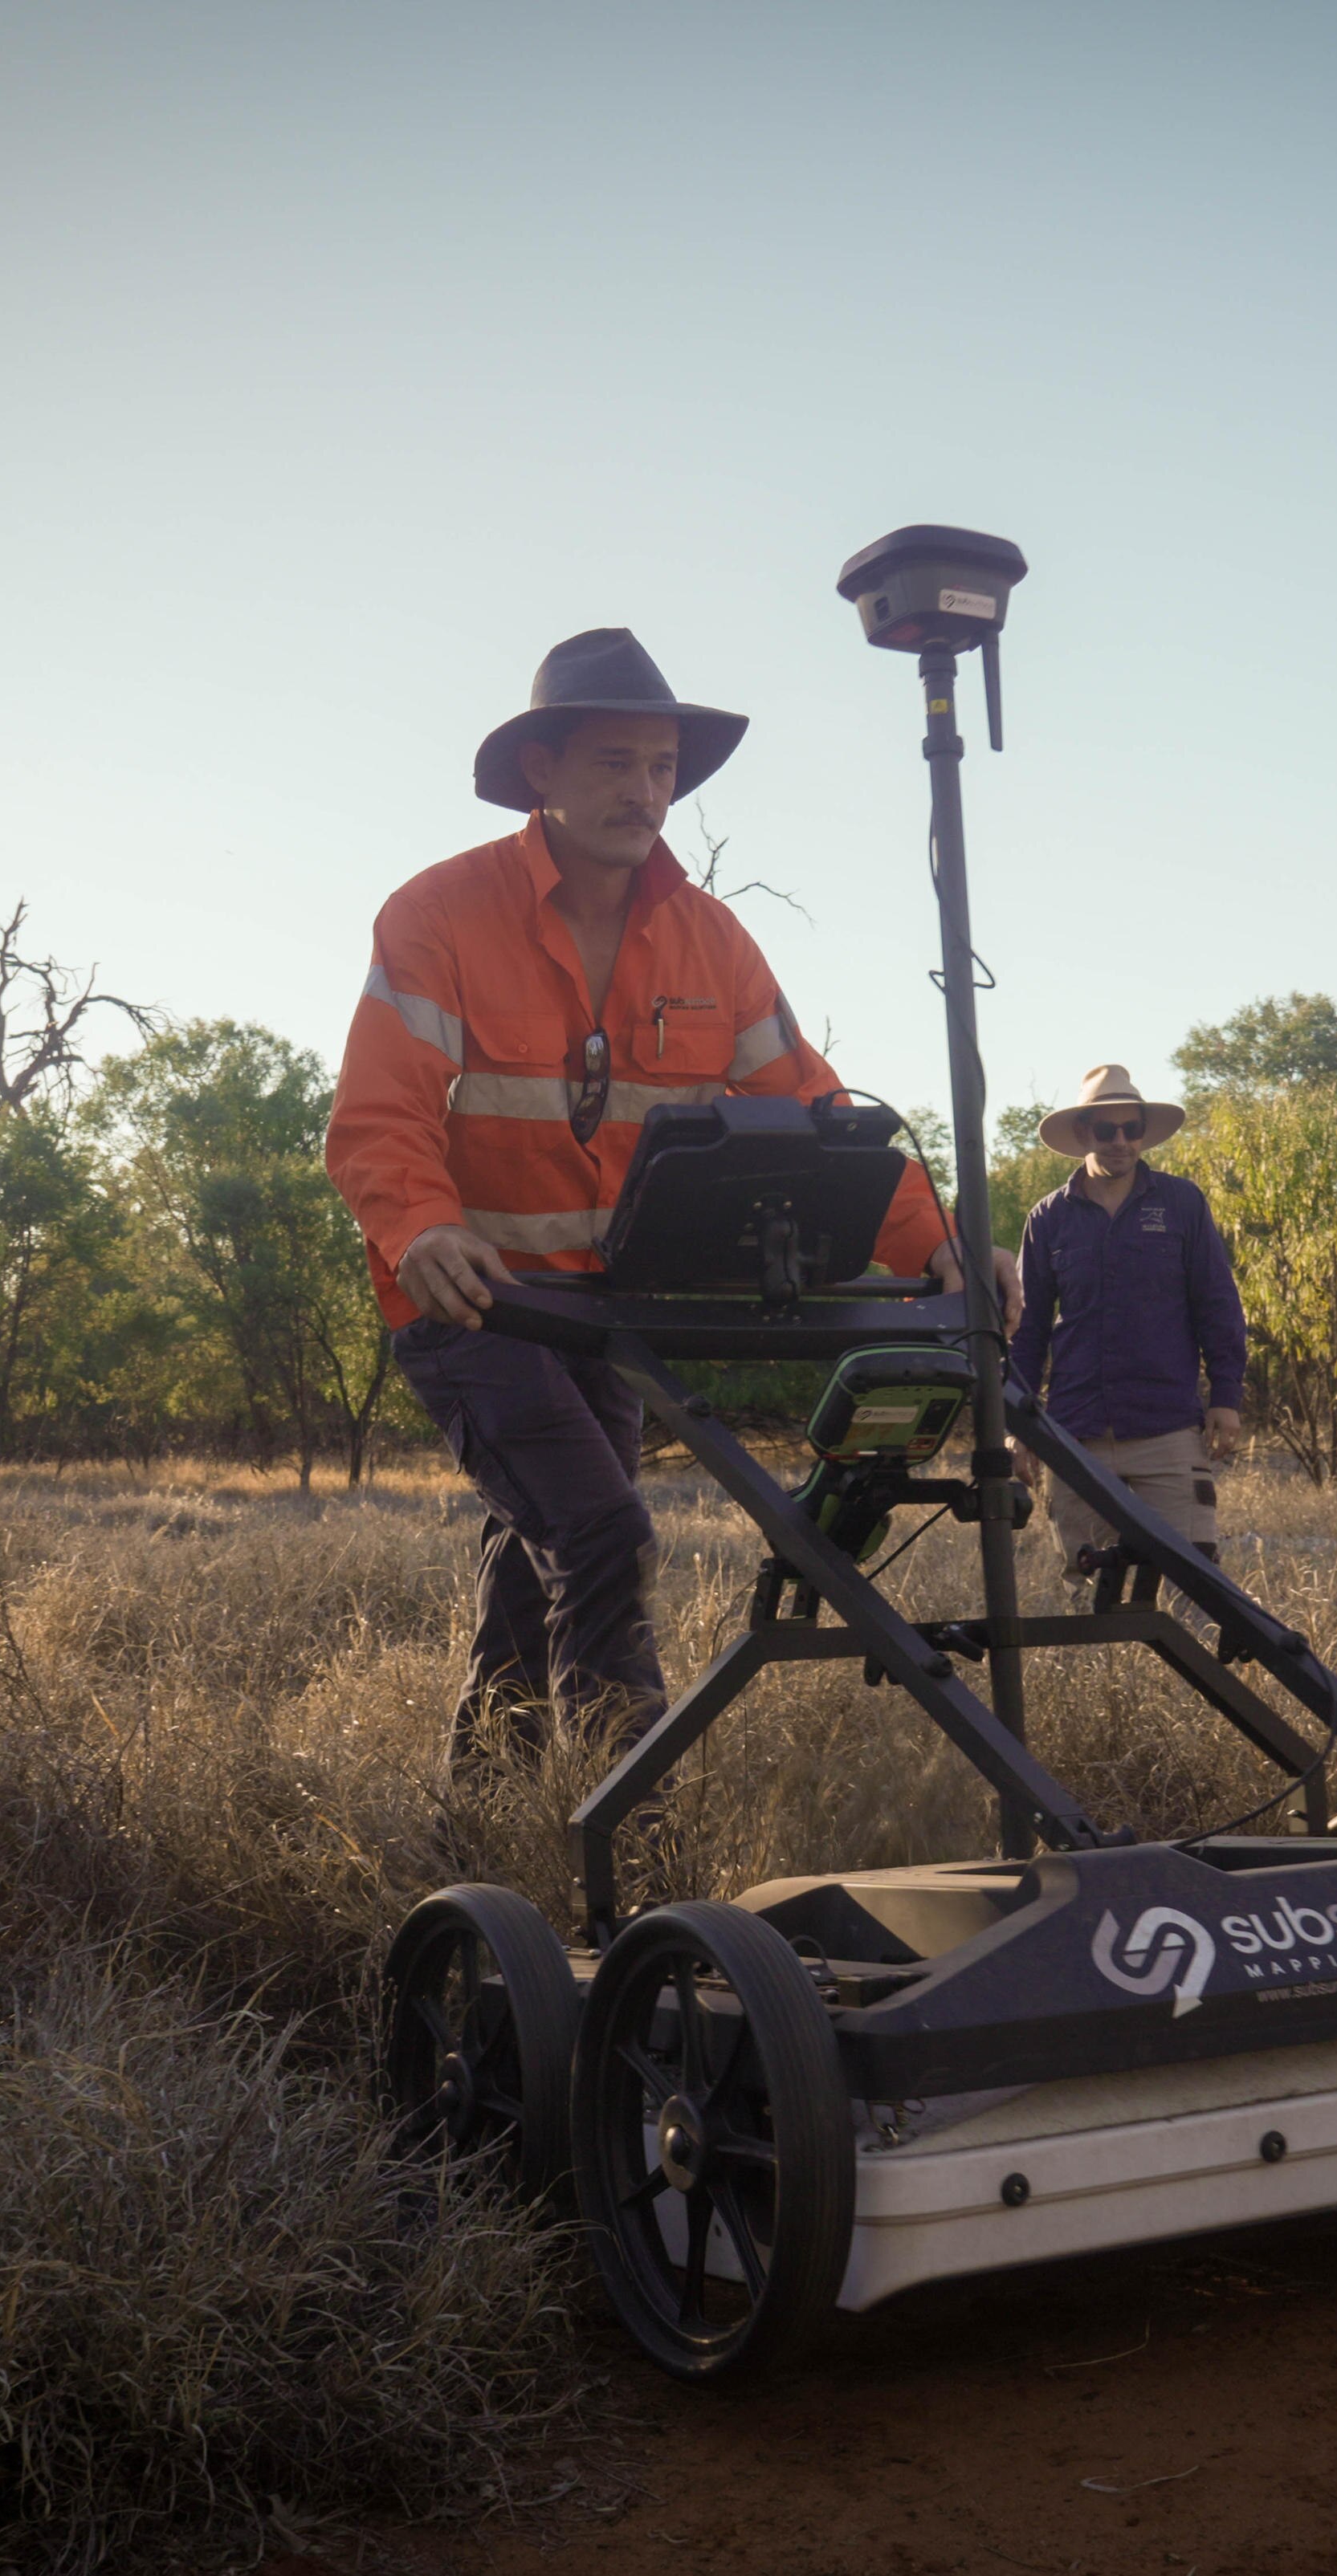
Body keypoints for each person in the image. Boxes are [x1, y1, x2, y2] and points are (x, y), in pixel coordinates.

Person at [325, 627, 1014, 1772]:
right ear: (542, 772)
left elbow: (812, 1111)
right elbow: (378, 1112)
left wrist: (936, 1242)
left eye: (660, 768)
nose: (644, 790)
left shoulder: (710, 937)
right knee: (600, 1528)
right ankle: (630, 1839)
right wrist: (424, 1226)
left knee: (545, 1543)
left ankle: (490, 1815)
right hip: (472, 1302)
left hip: (611, 1309)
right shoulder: (438, 913)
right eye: (613, 762)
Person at [1008, 1064, 1249, 1582]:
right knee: (1085, 1586)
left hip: (1167, 1425)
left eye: (1131, 1129)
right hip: (1076, 1433)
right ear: (1082, 1134)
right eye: (1105, 1130)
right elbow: (1025, 1330)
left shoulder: (1182, 1203)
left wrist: (1226, 1398)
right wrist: (1019, 1428)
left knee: (1198, 1581)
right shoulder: (1048, 1216)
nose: (1120, 1141)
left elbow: (1218, 1304)